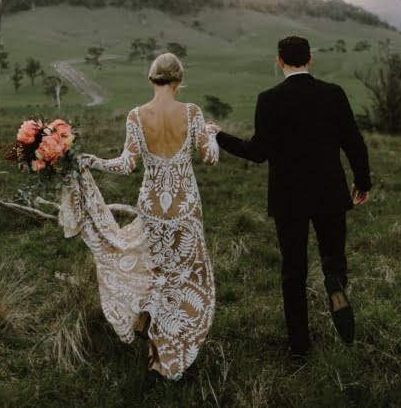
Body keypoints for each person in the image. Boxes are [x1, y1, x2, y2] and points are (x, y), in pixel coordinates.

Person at [60, 52, 220, 380]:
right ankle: (174, 349)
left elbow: (126, 165)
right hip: (185, 209)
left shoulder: (136, 116)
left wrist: (92, 161)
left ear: (151, 78)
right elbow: (210, 158)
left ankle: (154, 340)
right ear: (179, 81)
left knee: (156, 275)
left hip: (152, 209)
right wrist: (211, 133)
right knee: (185, 278)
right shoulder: (192, 113)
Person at [212, 35, 371, 359]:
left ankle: (299, 345)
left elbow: (257, 152)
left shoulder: (269, 99)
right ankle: (334, 279)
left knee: (293, 270)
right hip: (329, 192)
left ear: (280, 61)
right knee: (333, 255)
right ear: (310, 59)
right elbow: (353, 141)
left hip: (288, 199)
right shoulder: (334, 93)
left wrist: (219, 136)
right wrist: (363, 181)